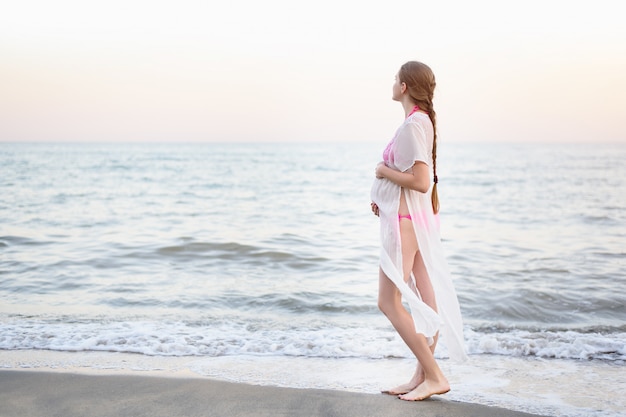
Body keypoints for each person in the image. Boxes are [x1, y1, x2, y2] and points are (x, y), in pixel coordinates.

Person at [370, 61, 467, 401]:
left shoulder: (413, 125)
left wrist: (383, 172)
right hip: (412, 221)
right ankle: (422, 375)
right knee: (427, 301)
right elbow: (415, 181)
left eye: (396, 78)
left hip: (405, 224)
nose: (392, 82)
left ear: (405, 87)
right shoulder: (421, 122)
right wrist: (384, 197)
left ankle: (435, 375)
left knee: (388, 301)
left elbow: (421, 182)